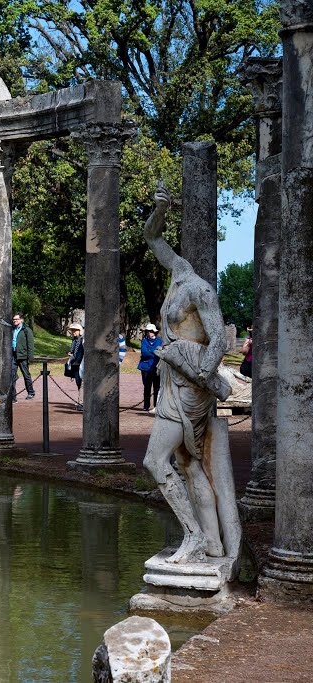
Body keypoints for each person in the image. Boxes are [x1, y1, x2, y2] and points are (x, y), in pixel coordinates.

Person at [143, 182, 236, 565]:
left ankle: (194, 535)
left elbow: (219, 341)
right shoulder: (180, 272)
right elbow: (152, 237)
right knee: (187, 462)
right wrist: (161, 210)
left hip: (190, 387)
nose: (171, 262)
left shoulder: (202, 291)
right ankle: (212, 542)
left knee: (154, 460)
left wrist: (199, 373)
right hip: (172, 379)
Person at [139, 323, 163, 412]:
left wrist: (151, 351)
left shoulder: (160, 341)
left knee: (157, 387)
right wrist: (155, 352)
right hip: (146, 368)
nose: (150, 333)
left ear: (154, 332)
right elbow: (144, 352)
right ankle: (146, 406)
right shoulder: (144, 341)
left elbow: (162, 352)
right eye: (148, 331)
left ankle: (156, 406)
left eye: (151, 331)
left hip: (156, 367)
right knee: (147, 387)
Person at [10, 312, 35, 401]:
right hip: (13, 356)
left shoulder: (26, 330)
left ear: (21, 320)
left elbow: (30, 344)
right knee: (11, 375)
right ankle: (13, 396)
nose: (15, 321)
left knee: (26, 375)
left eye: (16, 319)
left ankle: (31, 392)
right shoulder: (12, 329)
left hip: (23, 356)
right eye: (14, 319)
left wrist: (30, 358)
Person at [66, 322, 84, 411]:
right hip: (75, 364)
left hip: (81, 364)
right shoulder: (74, 340)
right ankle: (81, 400)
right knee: (78, 383)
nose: (73, 332)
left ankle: (82, 401)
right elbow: (73, 350)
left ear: (79, 331)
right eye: (72, 330)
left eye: (75, 330)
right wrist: (70, 353)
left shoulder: (83, 340)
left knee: (82, 383)